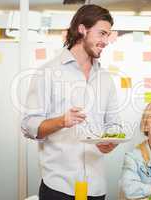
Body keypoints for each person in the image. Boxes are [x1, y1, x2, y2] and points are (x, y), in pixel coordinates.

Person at [21, 4, 120, 200]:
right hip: (59, 187)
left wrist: (111, 142)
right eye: (101, 34)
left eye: (107, 36)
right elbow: (28, 126)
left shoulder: (106, 78)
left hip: (96, 187)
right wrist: (61, 121)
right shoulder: (47, 72)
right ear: (82, 29)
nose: (105, 41)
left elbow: (113, 124)